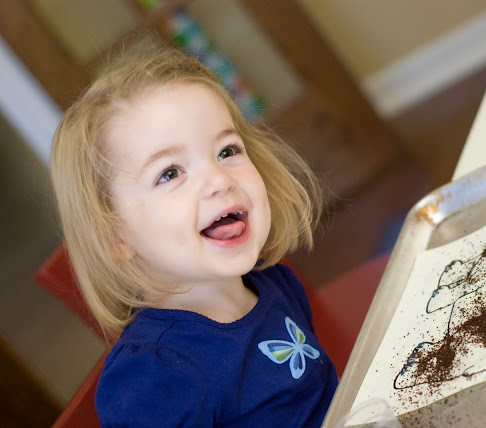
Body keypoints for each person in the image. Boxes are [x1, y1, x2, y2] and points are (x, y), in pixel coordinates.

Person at [50, 45, 338, 427]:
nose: (219, 179)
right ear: (115, 237)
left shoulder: (274, 282)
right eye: (170, 173)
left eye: (227, 150)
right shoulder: (154, 380)